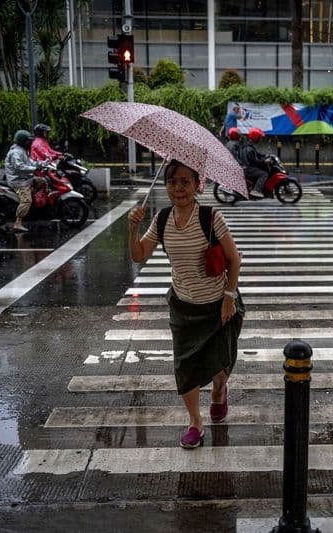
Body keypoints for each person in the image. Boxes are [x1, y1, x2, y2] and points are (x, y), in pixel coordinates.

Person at [127, 160, 244, 449]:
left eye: (185, 182)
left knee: (220, 366)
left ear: (196, 185)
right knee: (185, 366)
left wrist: (229, 299)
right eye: (172, 182)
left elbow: (234, 259)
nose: (177, 188)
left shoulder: (210, 217)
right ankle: (195, 422)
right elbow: (139, 255)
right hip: (183, 307)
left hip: (218, 306)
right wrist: (133, 228)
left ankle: (219, 392)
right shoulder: (162, 219)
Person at [4, 130, 42, 233]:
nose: (30, 143)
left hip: (25, 178)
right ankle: (18, 223)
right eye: (28, 141)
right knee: (27, 201)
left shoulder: (23, 150)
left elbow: (30, 162)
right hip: (18, 181)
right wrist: (34, 169)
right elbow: (19, 167)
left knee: (43, 181)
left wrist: (42, 164)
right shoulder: (16, 152)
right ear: (22, 141)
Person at [241, 127, 269, 199]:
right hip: (248, 169)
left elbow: (256, 154)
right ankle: (256, 190)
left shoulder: (249, 146)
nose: (260, 139)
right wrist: (264, 161)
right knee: (264, 174)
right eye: (259, 137)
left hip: (247, 167)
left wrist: (264, 155)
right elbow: (255, 161)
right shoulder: (249, 148)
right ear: (255, 137)